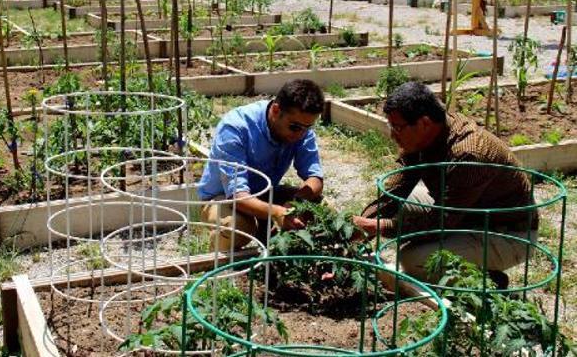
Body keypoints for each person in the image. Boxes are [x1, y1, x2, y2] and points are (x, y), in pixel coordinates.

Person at [352, 82, 536, 287]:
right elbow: (395, 191)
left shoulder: (468, 154)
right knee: (403, 204)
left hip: (505, 233)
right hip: (466, 213)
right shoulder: (423, 136)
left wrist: (380, 227)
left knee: (412, 260)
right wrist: (361, 225)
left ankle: (485, 282)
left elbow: (442, 221)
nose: (393, 134)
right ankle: (463, 261)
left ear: (424, 123)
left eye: (397, 127)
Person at [198, 79, 325, 251]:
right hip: (224, 198)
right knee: (236, 227)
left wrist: (296, 203)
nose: (300, 134)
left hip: (266, 193)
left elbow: (315, 178)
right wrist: (277, 212)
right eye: (295, 127)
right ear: (275, 110)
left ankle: (275, 243)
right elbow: (237, 195)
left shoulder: (301, 130)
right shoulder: (236, 128)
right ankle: (219, 264)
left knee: (321, 209)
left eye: (307, 127)